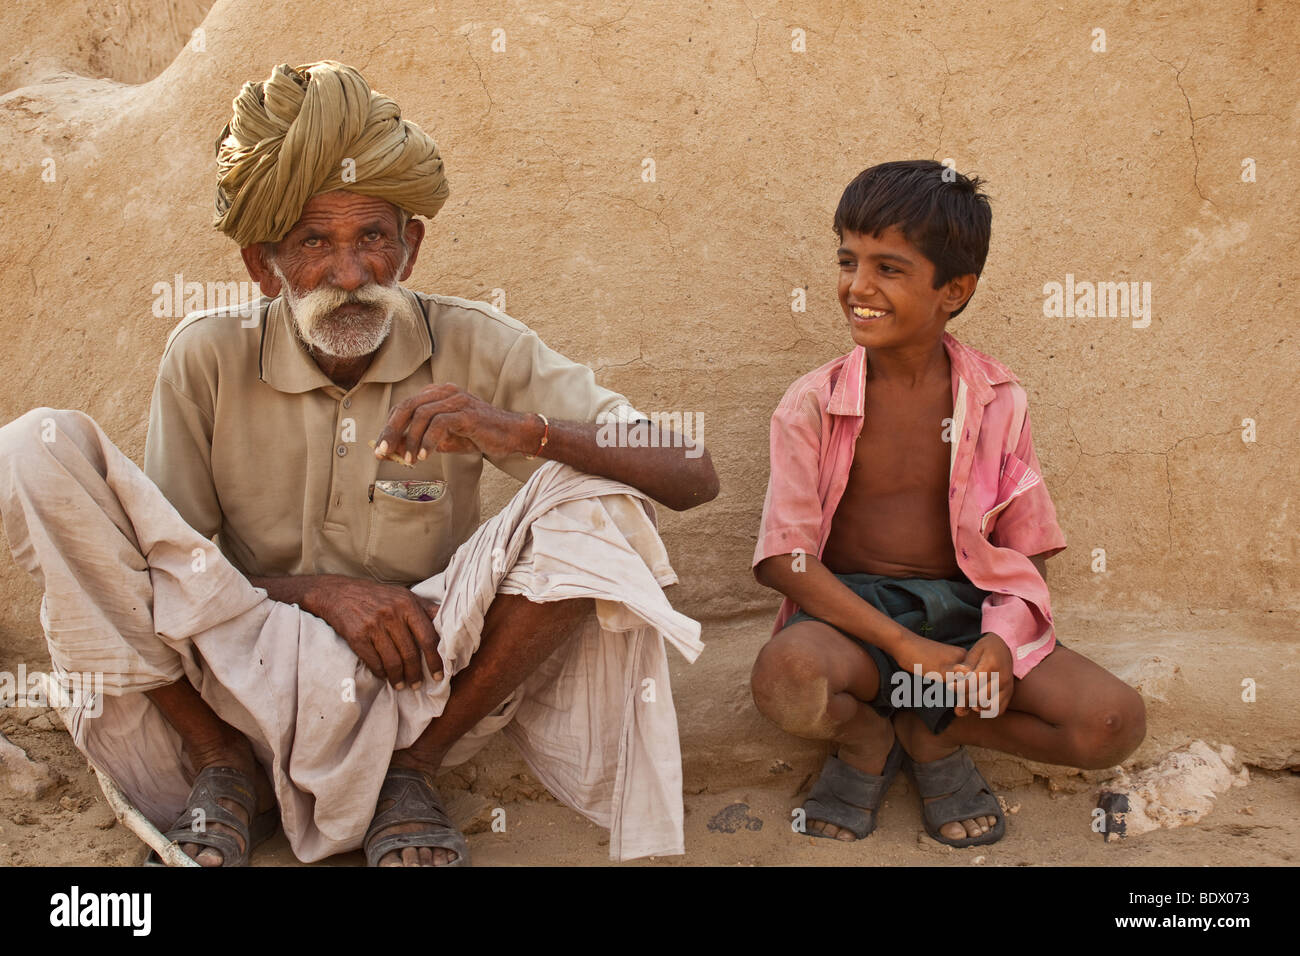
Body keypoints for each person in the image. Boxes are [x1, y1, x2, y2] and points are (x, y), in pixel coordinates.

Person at [0, 61, 717, 867]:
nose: (349, 277)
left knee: (605, 507)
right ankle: (219, 763)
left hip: (417, 669)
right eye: (313, 243)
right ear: (260, 264)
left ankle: (412, 773)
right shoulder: (205, 357)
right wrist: (322, 595)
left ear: (410, 250)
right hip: (242, 665)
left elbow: (693, 473)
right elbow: (177, 568)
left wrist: (519, 429)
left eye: (372, 238)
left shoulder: (475, 342)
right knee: (34, 446)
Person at [749, 160, 1144, 848]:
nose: (857, 287)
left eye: (890, 269)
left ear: (954, 291)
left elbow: (1025, 552)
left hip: (965, 614)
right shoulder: (812, 403)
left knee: (1111, 723)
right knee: (788, 679)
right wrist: (905, 646)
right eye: (849, 260)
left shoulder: (997, 399)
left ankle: (929, 729)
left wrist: (997, 641)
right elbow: (786, 560)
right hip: (853, 621)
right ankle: (869, 733)